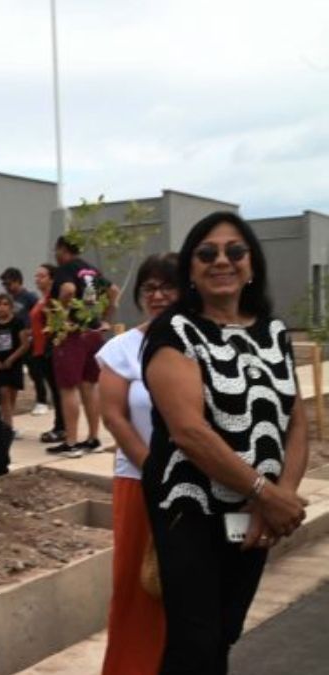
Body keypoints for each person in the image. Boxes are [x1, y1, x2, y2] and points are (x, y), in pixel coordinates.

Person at [142, 212, 309, 674]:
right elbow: (189, 432)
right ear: (190, 270)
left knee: (225, 629)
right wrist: (265, 492)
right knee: (195, 638)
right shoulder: (175, 333)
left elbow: (294, 420)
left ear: (251, 265)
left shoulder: (273, 332)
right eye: (207, 253)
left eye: (235, 251)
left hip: (255, 510)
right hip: (190, 507)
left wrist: (282, 495)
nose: (222, 260)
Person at [95, 253, 179, 673]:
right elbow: (114, 417)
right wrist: (158, 474)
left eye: (168, 286)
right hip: (140, 483)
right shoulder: (122, 350)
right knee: (137, 588)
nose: (158, 295)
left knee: (193, 593)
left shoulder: (205, 344)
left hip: (202, 488)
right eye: (149, 288)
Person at [47, 236, 118, 456]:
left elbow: (67, 290)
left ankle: (71, 442)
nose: (55, 255)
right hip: (93, 332)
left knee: (69, 387)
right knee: (90, 385)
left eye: (56, 250)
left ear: (62, 249)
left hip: (73, 334)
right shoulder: (91, 271)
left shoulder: (65, 269)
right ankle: (93, 438)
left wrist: (63, 315)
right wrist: (104, 317)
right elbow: (113, 291)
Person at [0, 267, 47, 415]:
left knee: (35, 372)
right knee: (10, 371)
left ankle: (42, 401)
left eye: (9, 284)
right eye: (4, 285)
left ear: (18, 282)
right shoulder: (8, 299)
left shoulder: (29, 297)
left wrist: (33, 332)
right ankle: (5, 403)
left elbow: (40, 316)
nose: (7, 287)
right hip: (13, 341)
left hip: (29, 341)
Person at [30, 264, 66, 444]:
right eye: (37, 276)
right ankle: (59, 425)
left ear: (52, 279)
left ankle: (62, 427)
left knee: (58, 391)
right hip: (38, 349)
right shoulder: (41, 299)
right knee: (54, 389)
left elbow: (57, 324)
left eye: (42, 276)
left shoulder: (52, 300)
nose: (38, 279)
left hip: (49, 350)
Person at [0, 293, 29, 434]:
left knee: (12, 395)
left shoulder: (18, 323)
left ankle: (7, 422)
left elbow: (24, 345)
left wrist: (12, 358)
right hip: (0, 364)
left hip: (14, 363)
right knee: (3, 393)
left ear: (11, 307)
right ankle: (7, 429)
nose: (2, 307)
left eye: (5, 304)